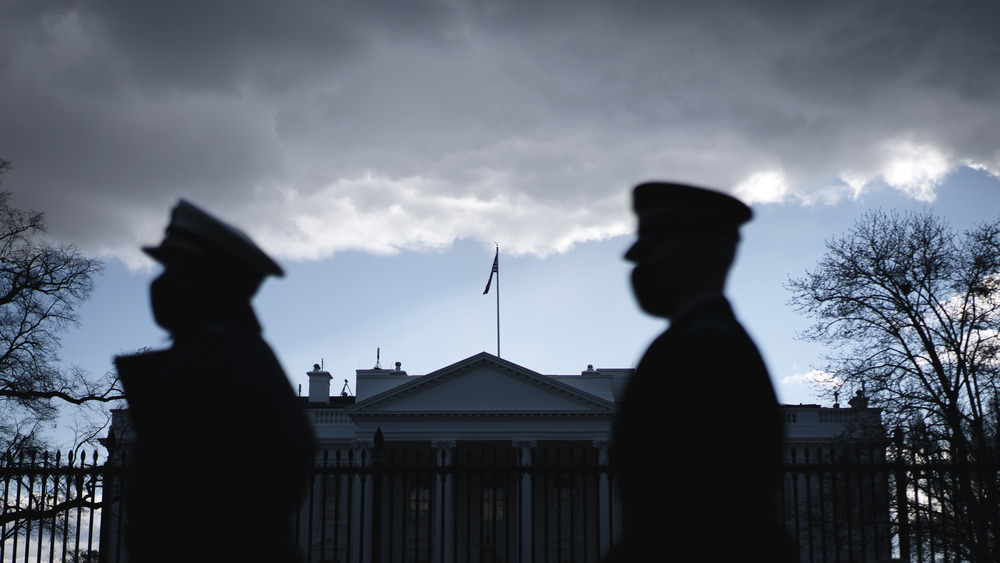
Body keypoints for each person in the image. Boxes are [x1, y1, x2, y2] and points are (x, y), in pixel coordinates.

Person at [116, 200, 315, 563]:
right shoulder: (220, 351)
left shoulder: (216, 359)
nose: (161, 282)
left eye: (176, 268)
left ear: (207, 280)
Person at [609, 182, 791, 560]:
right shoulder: (705, 339)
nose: (642, 269)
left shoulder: (701, 348)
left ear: (689, 254)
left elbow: (692, 503)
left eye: (651, 252)